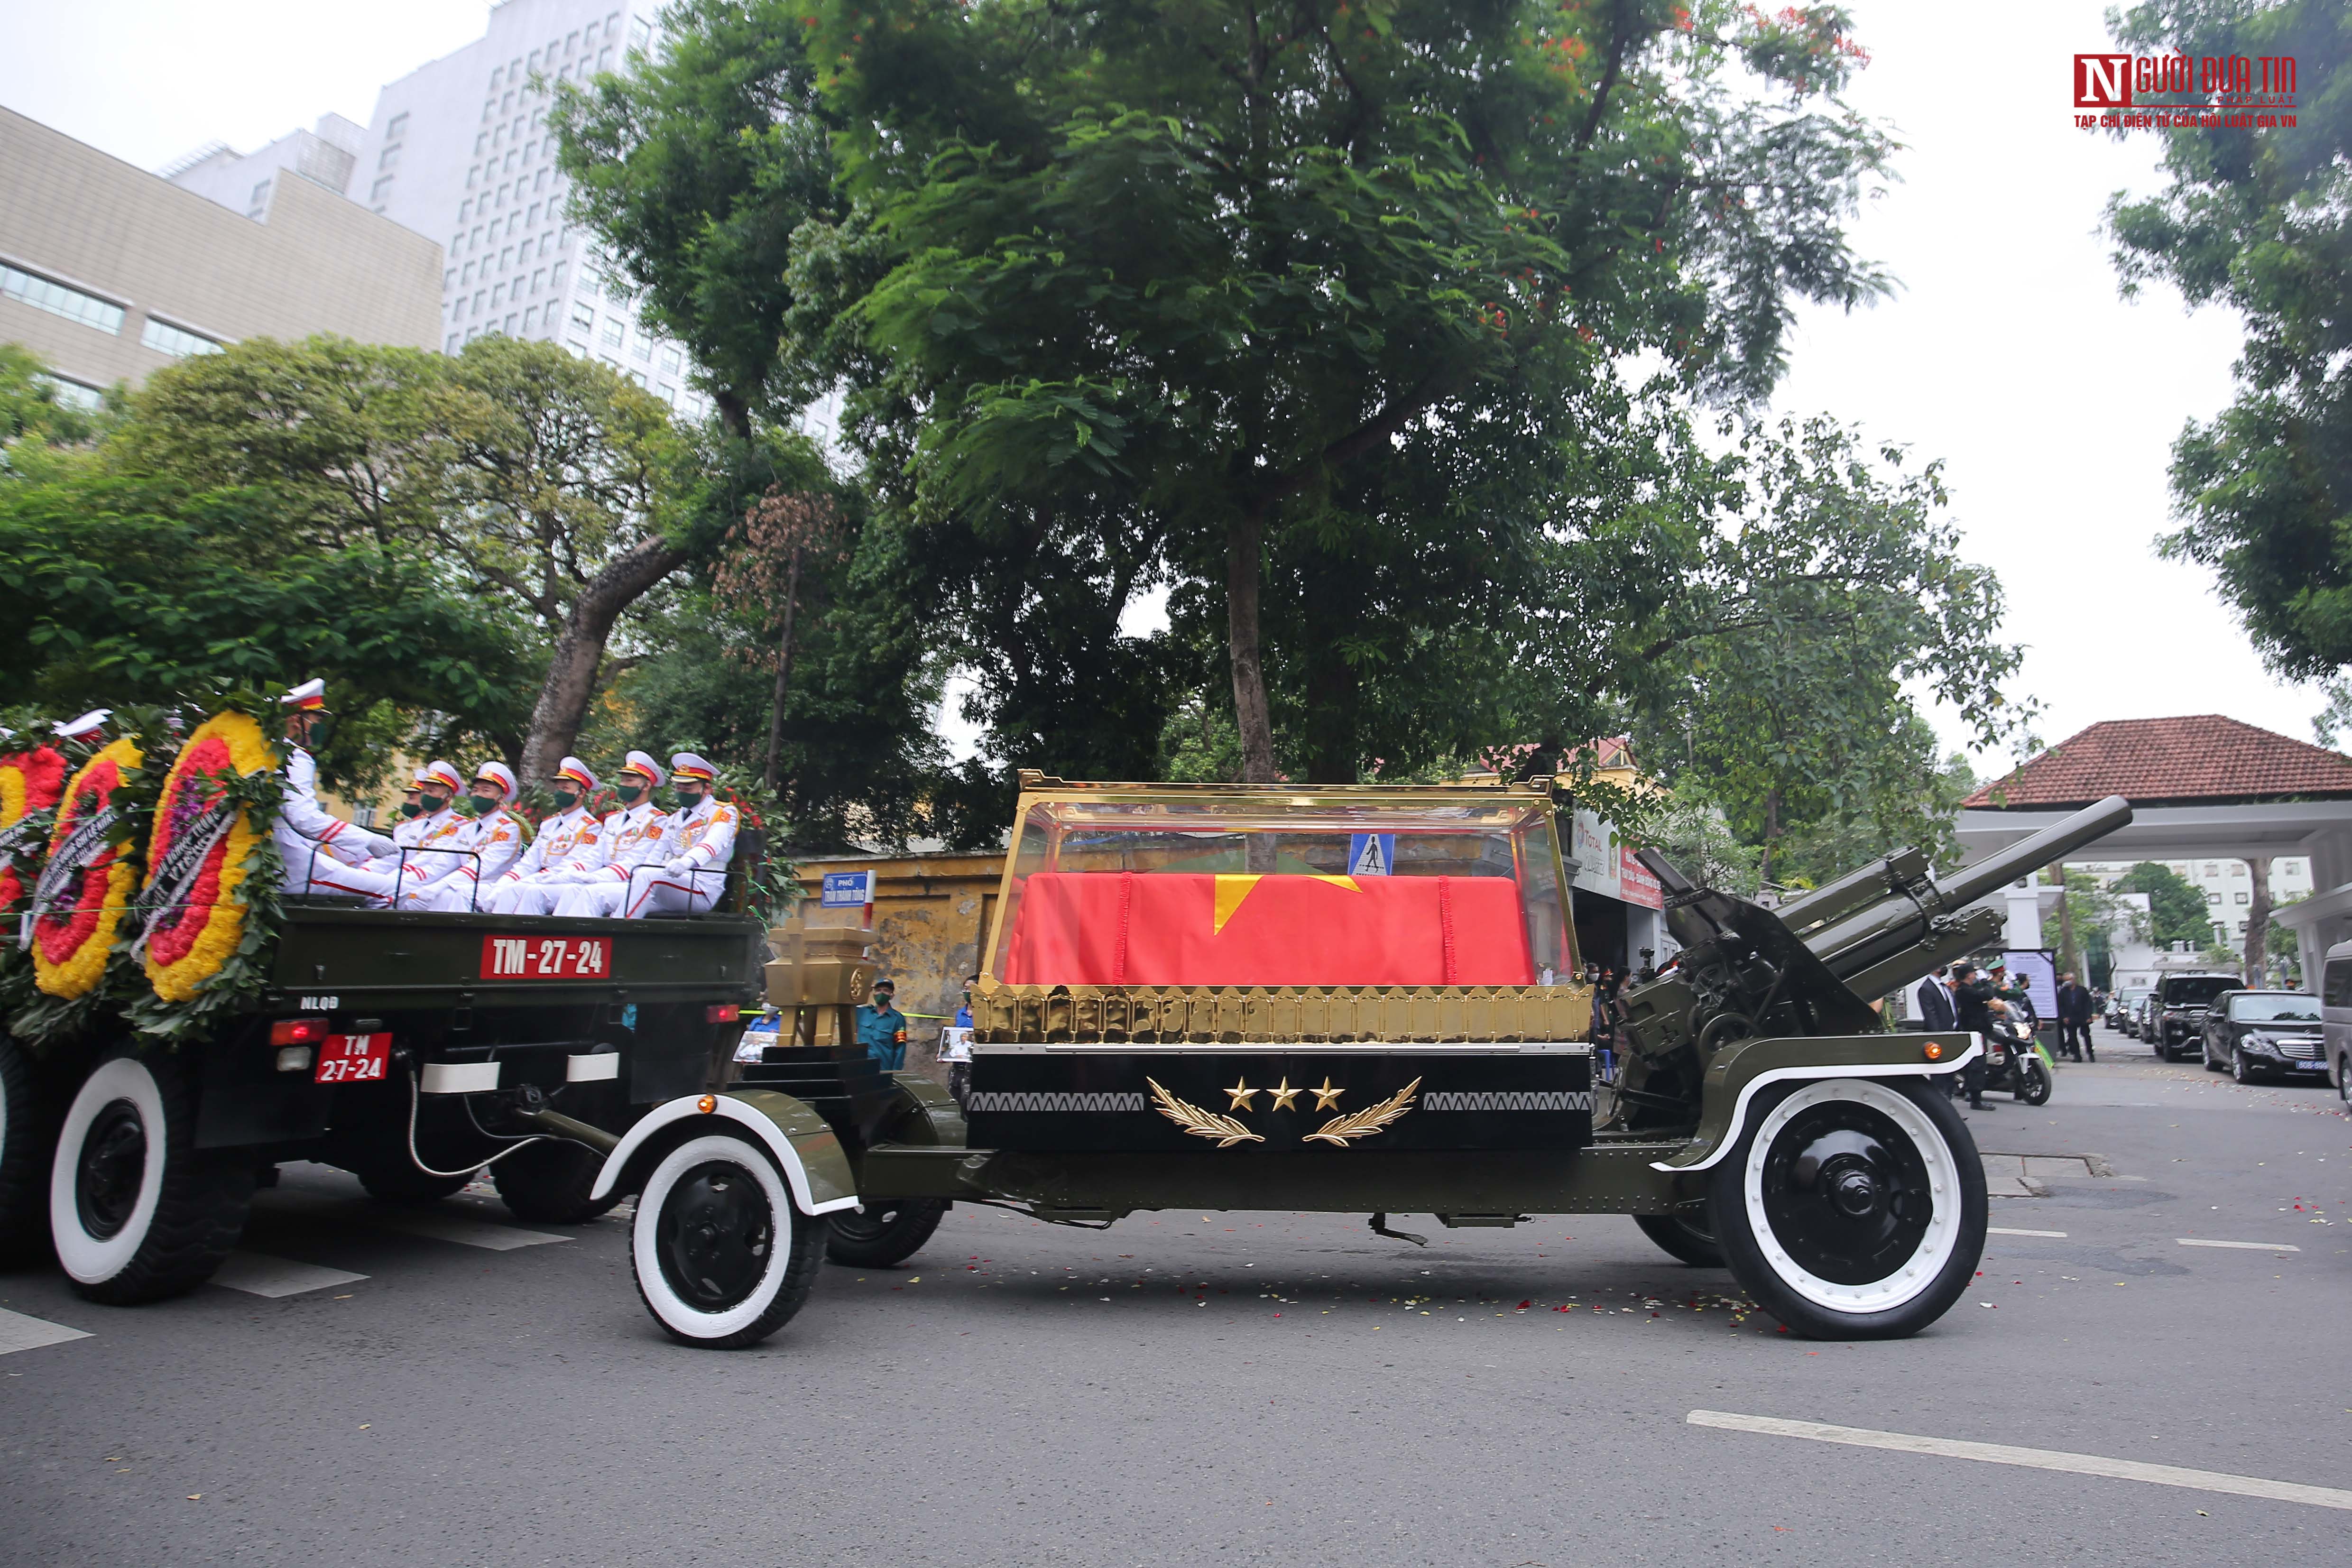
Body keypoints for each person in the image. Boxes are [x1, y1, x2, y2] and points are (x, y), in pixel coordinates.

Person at [554, 752, 735, 919]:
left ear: (707, 789)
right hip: (663, 885)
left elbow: (713, 843)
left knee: (647, 875)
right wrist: (599, 878)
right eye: (679, 786)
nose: (682, 791)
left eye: (688, 787)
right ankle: (571, 943)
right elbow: (654, 858)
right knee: (594, 893)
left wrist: (686, 862)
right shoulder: (674, 819)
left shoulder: (723, 812)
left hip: (701, 886)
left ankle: (619, 931)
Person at [271, 681, 403, 896]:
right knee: (396, 892)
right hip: (289, 867)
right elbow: (303, 818)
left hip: (284, 857)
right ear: (297, 719)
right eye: (317, 719)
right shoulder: (294, 757)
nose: (321, 726)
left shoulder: (264, 751)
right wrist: (367, 839)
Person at [480, 756, 605, 915]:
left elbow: (571, 863)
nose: (559, 793)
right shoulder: (549, 824)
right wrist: (507, 881)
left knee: (523, 891)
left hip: (564, 880)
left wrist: (530, 879)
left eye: (565, 789)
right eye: (558, 788)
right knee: (507, 889)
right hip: (540, 879)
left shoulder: (590, 826)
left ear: (581, 793)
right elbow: (530, 861)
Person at [425, 763, 529, 912]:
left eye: (486, 791)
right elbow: (448, 858)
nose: (478, 795)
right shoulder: (469, 827)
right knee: (441, 895)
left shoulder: (508, 828)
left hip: (494, 885)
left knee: (460, 893)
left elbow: (484, 865)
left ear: (501, 798)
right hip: (466, 882)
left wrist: (444, 883)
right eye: (475, 790)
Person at [1948, 961, 1997, 1109]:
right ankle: (1976, 1098)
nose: (1976, 976)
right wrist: (1986, 982)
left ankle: (1975, 1095)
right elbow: (1988, 995)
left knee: (1978, 1065)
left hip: (1978, 1030)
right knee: (1977, 1066)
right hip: (1974, 1031)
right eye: (1974, 974)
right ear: (1969, 975)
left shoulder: (1968, 989)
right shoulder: (1964, 991)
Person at [940, 973, 980, 1104]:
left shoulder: (986, 1014)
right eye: (965, 988)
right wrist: (944, 1054)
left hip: (976, 1066)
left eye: (970, 989)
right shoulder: (960, 1013)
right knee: (955, 1100)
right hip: (958, 1067)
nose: (967, 992)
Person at [859, 978, 910, 1074]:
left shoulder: (897, 1019)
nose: (881, 993)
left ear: (892, 996)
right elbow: (848, 1004)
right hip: (859, 1069)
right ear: (874, 993)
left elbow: (900, 1049)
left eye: (886, 991)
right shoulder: (862, 1012)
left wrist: (896, 1073)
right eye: (878, 990)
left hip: (882, 1070)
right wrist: (865, 990)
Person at [2055, 970, 2095, 1063]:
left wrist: (2089, 1016)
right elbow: (2061, 1005)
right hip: (2070, 1017)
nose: (2066, 982)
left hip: (2083, 1016)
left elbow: (2088, 1004)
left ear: (2073, 980)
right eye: (2065, 981)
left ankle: (2090, 1053)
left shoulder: (2082, 990)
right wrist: (2064, 1017)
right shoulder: (2063, 992)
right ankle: (2077, 1055)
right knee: (2072, 1037)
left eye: (2068, 980)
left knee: (2086, 1036)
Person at [1916, 965, 1958, 1032]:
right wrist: (1938, 1034)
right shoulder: (1926, 989)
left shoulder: (1944, 986)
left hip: (1953, 1030)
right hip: (1942, 1033)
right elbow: (1931, 1016)